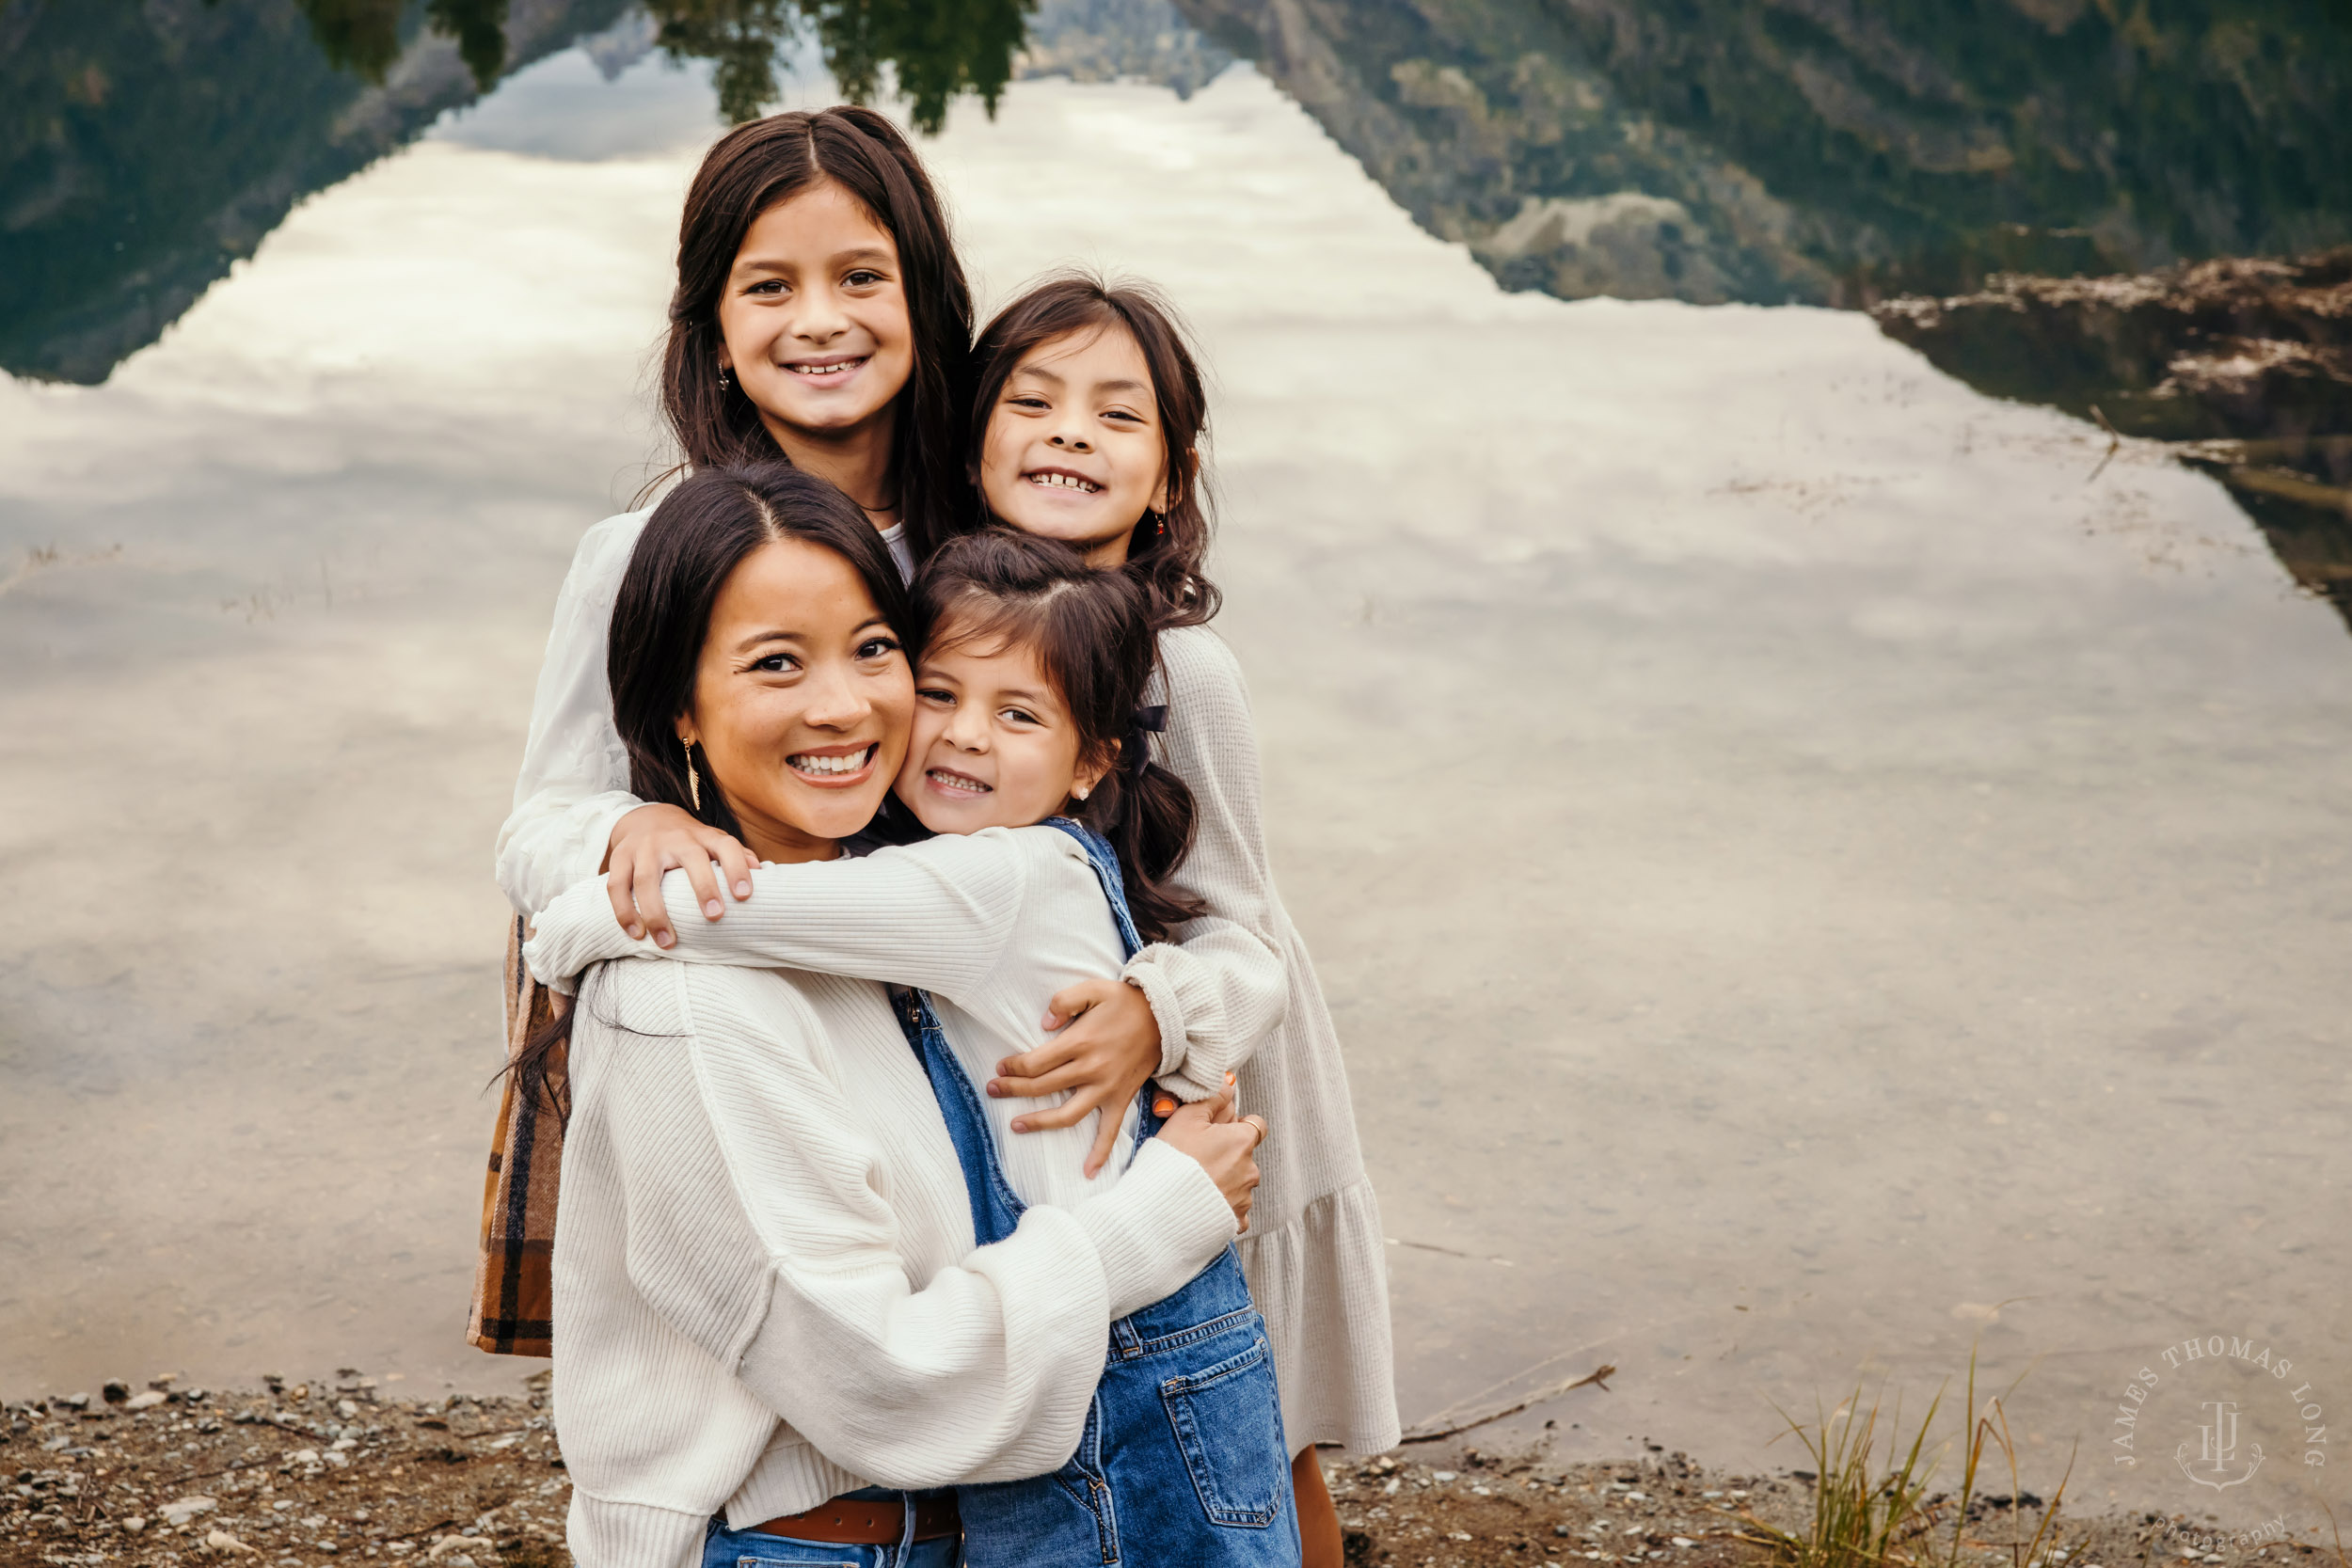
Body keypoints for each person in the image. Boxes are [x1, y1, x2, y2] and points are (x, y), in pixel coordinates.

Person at [515, 463, 1270, 1568]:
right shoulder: (684, 995)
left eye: (874, 650)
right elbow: (889, 1380)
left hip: (967, 1514)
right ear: (679, 703)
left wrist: (1165, 1016)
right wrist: (1161, 1212)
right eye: (776, 662)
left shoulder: (902, 902)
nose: (842, 704)